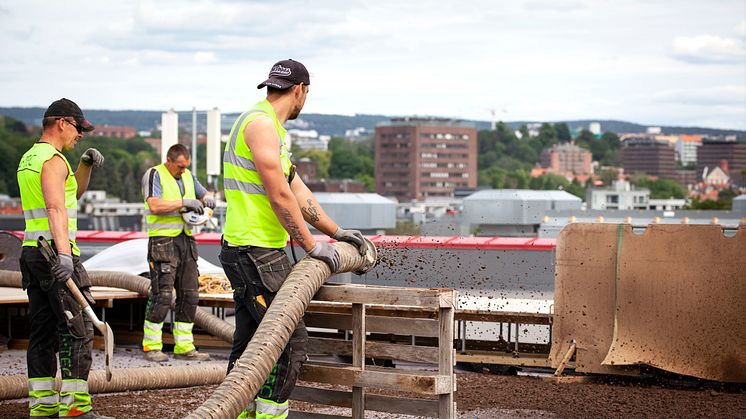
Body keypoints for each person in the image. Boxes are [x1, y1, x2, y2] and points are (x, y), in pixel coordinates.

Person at [220, 59, 367, 419]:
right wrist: (311, 246)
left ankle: (235, 412)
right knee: (287, 341)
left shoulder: (269, 127)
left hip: (255, 249)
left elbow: (295, 188)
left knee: (252, 343)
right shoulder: (260, 125)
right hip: (253, 251)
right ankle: (267, 416)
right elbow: (279, 196)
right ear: (300, 90)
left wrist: (336, 232)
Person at [17, 98, 111, 418]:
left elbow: (69, 195)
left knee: (43, 330)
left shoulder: (31, 157)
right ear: (61, 123)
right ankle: (75, 409)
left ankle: (43, 406)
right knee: (78, 328)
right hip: (56, 255)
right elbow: (56, 209)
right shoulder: (53, 160)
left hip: (32, 252)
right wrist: (64, 254)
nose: (80, 135)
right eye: (78, 128)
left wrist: (83, 166)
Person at [140, 144, 216, 362]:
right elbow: (154, 205)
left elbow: (203, 194)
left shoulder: (189, 176)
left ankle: (184, 347)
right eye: (180, 166)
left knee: (189, 294)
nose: (183, 170)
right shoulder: (155, 174)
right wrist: (184, 203)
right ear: (169, 160)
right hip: (162, 242)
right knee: (162, 294)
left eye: (186, 167)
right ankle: (152, 345)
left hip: (186, 240)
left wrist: (208, 199)